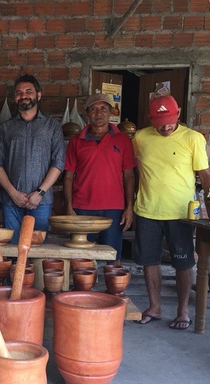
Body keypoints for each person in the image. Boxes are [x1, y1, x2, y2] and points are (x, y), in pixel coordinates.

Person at [133, 95, 210, 329]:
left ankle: (182, 311)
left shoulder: (193, 138)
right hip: (147, 210)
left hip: (182, 213)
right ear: (150, 119)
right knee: (149, 261)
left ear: (178, 115)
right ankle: (154, 307)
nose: (166, 127)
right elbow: (137, 171)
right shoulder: (139, 137)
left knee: (183, 262)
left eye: (169, 120)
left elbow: (206, 175)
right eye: (159, 122)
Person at [63, 93, 136, 264]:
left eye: (103, 108)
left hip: (113, 209)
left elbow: (129, 175)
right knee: (82, 260)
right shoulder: (76, 141)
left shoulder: (122, 139)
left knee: (113, 258)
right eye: (94, 109)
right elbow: (68, 176)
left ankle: (112, 291)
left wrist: (129, 207)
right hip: (82, 209)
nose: (99, 113)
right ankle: (84, 290)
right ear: (87, 114)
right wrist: (69, 206)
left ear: (111, 112)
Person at [0, 74, 66, 242]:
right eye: (19, 92)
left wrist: (39, 193)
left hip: (41, 201)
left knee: (36, 251)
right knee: (12, 251)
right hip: (11, 202)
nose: (23, 96)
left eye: (28, 91)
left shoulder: (52, 126)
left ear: (38, 95)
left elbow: (58, 163)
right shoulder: (5, 128)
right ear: (14, 97)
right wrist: (13, 193)